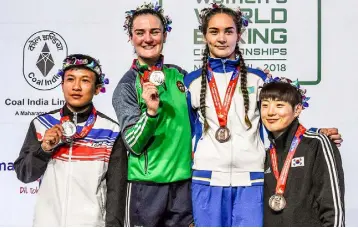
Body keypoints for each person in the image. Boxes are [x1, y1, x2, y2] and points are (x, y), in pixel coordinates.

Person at [184, 3, 343, 227]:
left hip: (252, 180)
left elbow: (278, 116)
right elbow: (184, 132)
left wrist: (315, 135)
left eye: (229, 31)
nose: (222, 38)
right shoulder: (191, 82)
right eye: (214, 31)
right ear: (204, 36)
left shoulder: (258, 79)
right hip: (206, 179)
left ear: (238, 35)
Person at [14, 54, 127, 227]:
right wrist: (43, 149)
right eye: (70, 79)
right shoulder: (41, 124)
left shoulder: (110, 131)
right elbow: (24, 174)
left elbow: (117, 193)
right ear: (62, 84)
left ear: (97, 89)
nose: (76, 87)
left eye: (85, 81)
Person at [112, 3, 193, 226]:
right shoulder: (127, 86)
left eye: (154, 32)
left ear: (164, 35)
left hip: (185, 184)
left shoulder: (180, 76)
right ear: (131, 37)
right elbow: (133, 144)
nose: (148, 39)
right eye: (140, 33)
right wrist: (150, 112)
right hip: (146, 188)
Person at [260, 77, 345, 226]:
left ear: (297, 109)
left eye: (279, 105)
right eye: (265, 105)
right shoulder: (264, 154)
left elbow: (333, 208)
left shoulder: (317, 144)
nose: (270, 112)